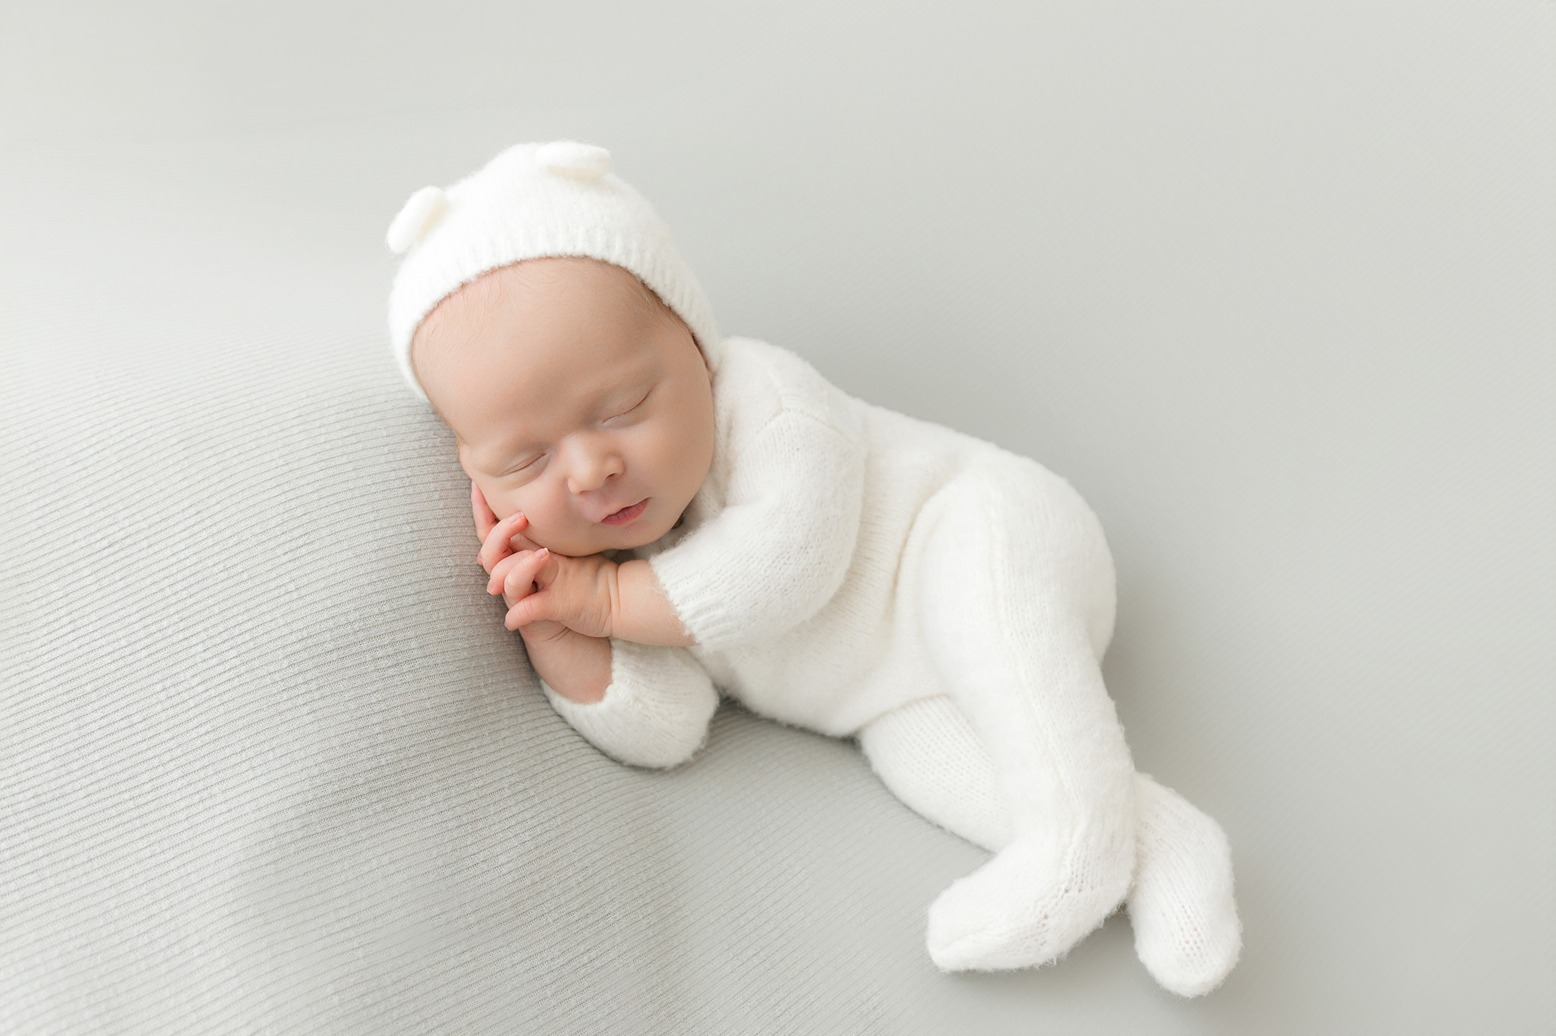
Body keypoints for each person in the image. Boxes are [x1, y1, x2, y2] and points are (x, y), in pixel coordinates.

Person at [385, 140, 1241, 996]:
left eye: (623, 407)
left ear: (695, 342)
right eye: (525, 459)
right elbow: (667, 728)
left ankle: (1075, 848)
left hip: (983, 532)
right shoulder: (611, 567)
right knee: (926, 762)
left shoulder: (765, 398)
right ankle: (1164, 842)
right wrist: (557, 626)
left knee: (980, 607)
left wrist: (607, 599)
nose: (589, 470)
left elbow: (789, 563)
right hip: (889, 696)